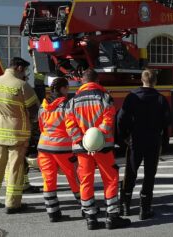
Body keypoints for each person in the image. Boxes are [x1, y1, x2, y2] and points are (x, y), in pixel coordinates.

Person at [65, 69, 130, 230]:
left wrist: (83, 141)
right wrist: (96, 137)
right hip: (103, 147)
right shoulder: (104, 97)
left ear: (82, 81)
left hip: (82, 149)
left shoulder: (72, 101)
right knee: (110, 178)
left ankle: (91, 219)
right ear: (97, 80)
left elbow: (70, 125)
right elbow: (108, 121)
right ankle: (112, 217)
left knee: (86, 181)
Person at [0, 57, 39, 213]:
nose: (25, 74)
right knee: (15, 168)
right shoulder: (22, 86)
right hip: (17, 134)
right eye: (25, 70)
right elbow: (34, 112)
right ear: (19, 68)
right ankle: (13, 204)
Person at [118, 69, 172, 220]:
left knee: (130, 172)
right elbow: (167, 122)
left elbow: (121, 118)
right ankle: (145, 208)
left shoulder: (131, 97)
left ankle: (125, 207)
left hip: (135, 140)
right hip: (153, 140)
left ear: (141, 80)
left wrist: (124, 137)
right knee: (149, 174)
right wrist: (164, 142)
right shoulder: (161, 99)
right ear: (155, 81)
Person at [36, 77, 80, 222]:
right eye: (67, 88)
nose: (68, 91)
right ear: (62, 89)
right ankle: (86, 206)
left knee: (48, 180)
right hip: (63, 148)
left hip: (44, 147)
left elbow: (41, 127)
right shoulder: (67, 105)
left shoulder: (43, 106)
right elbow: (72, 126)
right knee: (74, 178)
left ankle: (53, 213)